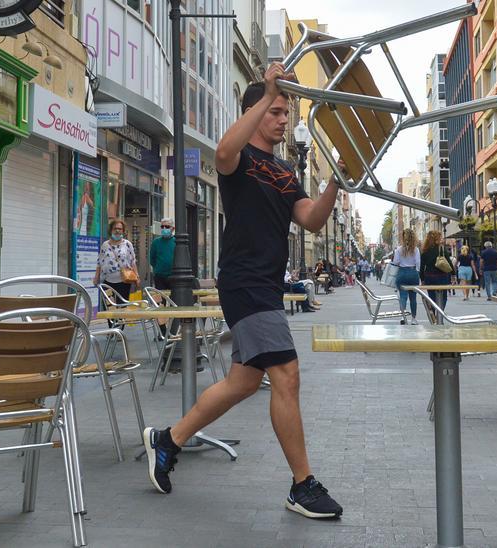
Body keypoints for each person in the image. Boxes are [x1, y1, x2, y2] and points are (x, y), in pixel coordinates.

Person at [142, 65, 343, 519]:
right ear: (254, 109)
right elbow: (224, 151)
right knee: (286, 375)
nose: (282, 119)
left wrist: (336, 181)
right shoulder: (239, 162)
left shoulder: (285, 170)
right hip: (244, 282)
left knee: (244, 382)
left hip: (267, 285)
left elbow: (311, 219)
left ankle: (167, 440)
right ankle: (302, 485)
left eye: (285, 112)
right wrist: (265, 91)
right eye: (274, 110)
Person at [95, 218, 138, 301]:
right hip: (107, 281)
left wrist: (137, 276)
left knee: (122, 306)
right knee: (109, 306)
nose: (117, 231)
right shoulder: (105, 245)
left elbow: (133, 261)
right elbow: (99, 262)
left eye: (120, 229)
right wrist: (96, 277)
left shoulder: (127, 244)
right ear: (111, 230)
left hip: (124, 281)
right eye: (115, 228)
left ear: (123, 231)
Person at [392, 228, 422, 324]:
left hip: (402, 273)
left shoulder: (399, 249)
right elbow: (418, 263)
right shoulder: (416, 249)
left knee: (403, 296)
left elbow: (395, 262)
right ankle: (413, 319)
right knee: (413, 298)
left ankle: (403, 316)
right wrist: (417, 273)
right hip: (413, 273)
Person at [420, 230, 452, 311]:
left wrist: (422, 279)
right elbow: (449, 262)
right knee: (443, 297)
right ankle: (440, 313)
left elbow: (422, 267)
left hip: (429, 277)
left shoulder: (425, 251)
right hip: (442, 277)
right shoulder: (441, 249)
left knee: (432, 297)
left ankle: (434, 312)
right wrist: (453, 274)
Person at [149, 217, 176, 290]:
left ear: (173, 229)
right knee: (160, 299)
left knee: (173, 299)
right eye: (162, 226)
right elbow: (152, 259)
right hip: (159, 276)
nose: (164, 229)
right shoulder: (156, 242)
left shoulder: (177, 241)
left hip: (173, 276)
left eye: (167, 227)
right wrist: (158, 268)